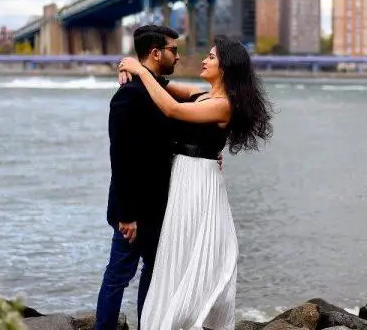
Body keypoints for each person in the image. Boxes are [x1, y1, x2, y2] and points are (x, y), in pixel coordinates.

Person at [117, 35, 273, 330]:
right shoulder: (203, 95)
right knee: (179, 248)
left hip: (199, 181)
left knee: (193, 247)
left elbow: (172, 109)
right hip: (186, 176)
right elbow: (160, 85)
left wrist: (138, 70)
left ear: (226, 67)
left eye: (211, 57)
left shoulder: (224, 105)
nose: (204, 60)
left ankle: (188, 318)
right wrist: (131, 69)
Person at [94, 24, 181, 330]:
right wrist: (127, 215)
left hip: (158, 207)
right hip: (133, 211)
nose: (178, 57)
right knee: (118, 275)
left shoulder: (159, 90)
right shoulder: (128, 95)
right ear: (155, 53)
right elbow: (121, 159)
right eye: (173, 50)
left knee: (153, 274)